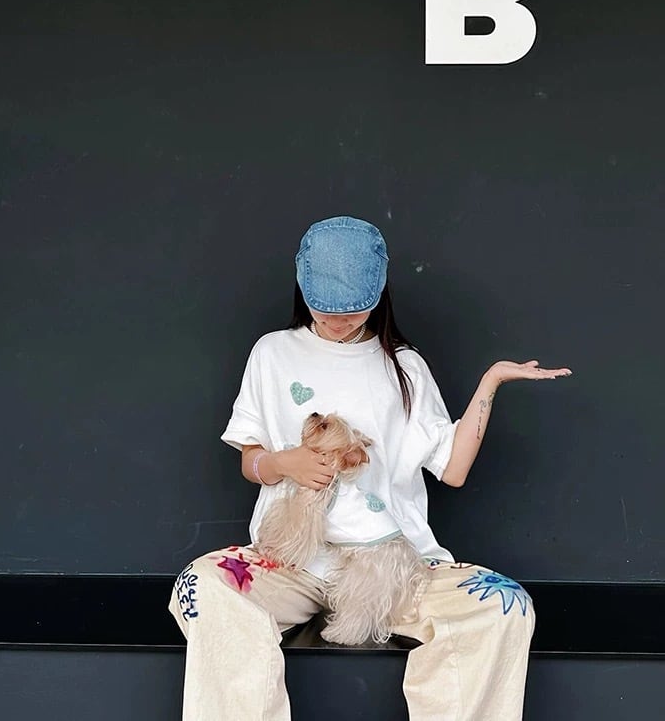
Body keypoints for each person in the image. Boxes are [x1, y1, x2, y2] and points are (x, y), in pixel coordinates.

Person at [169, 216, 572, 720]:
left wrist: (490, 382)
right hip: (291, 565)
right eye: (325, 309)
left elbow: (452, 470)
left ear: (379, 293)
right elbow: (250, 460)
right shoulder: (272, 353)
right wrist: (282, 462)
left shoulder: (405, 367)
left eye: (354, 309)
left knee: (502, 605)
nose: (339, 321)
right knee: (202, 585)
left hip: (390, 570)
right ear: (302, 288)